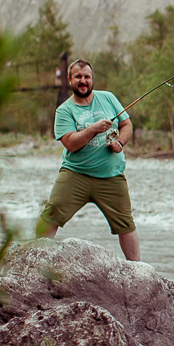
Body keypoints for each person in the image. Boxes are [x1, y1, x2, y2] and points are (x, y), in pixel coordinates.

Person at [37, 58, 140, 261]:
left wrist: (120, 142)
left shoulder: (108, 98)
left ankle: (138, 269)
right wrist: (93, 129)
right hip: (76, 174)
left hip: (111, 176)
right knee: (51, 214)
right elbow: (71, 143)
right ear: (70, 80)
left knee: (126, 224)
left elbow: (126, 125)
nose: (83, 81)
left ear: (92, 79)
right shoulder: (64, 110)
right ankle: (34, 258)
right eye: (78, 77)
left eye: (87, 77)